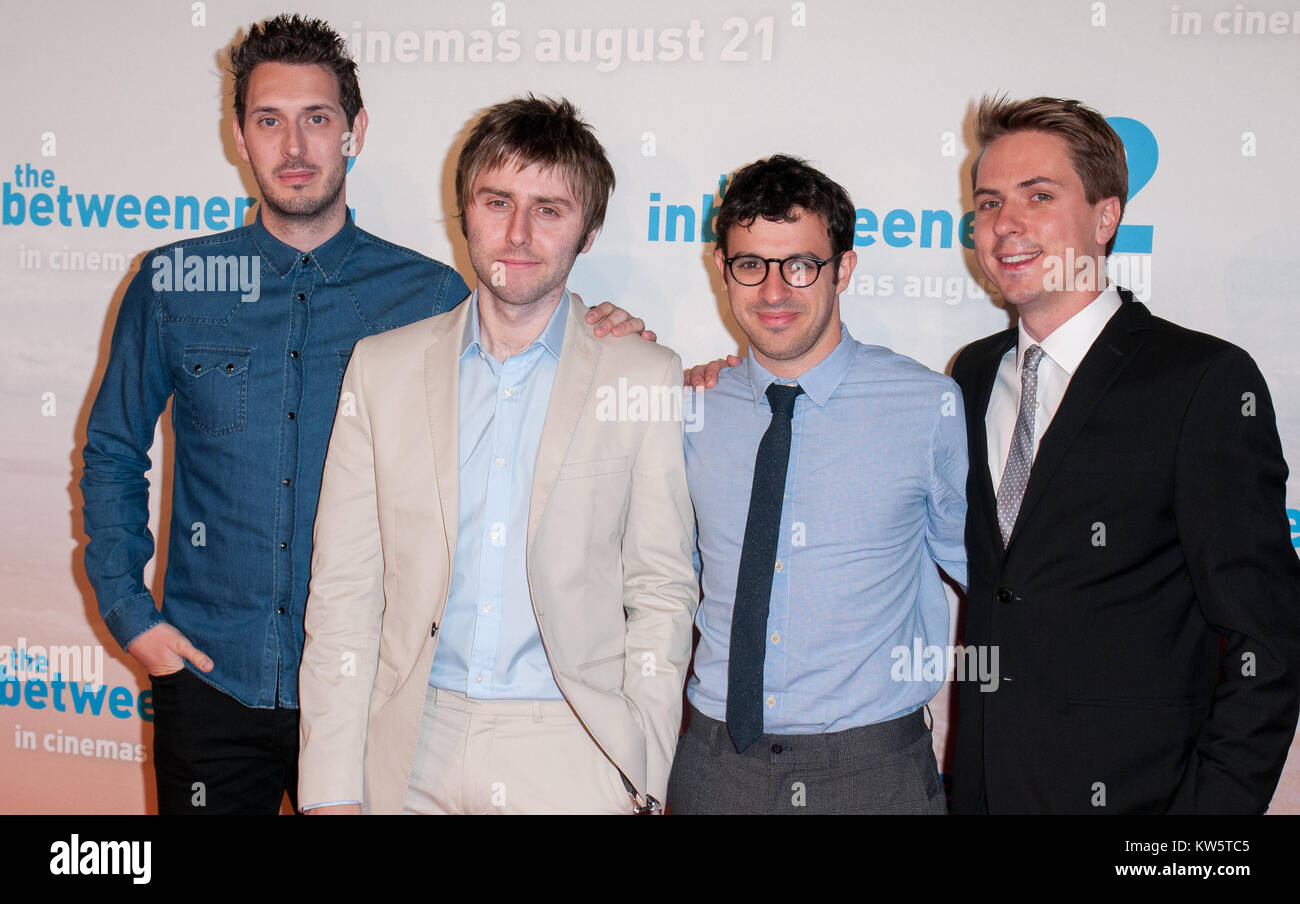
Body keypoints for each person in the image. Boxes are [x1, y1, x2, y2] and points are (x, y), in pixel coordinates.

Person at [79, 14, 646, 815]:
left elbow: (532, 343)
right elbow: (111, 451)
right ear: (239, 134)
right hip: (211, 682)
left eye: (318, 119)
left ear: (356, 132)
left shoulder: (431, 296)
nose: (295, 146)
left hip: (380, 695)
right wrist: (129, 613)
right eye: (269, 120)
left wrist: (606, 331)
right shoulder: (175, 283)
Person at [297, 96, 697, 815]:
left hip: (573, 749)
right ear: (464, 212)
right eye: (498, 201)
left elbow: (662, 590)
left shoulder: (643, 375)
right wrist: (329, 787)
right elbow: (343, 596)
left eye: (550, 209)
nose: (518, 233)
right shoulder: (380, 370)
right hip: (408, 745)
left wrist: (643, 765)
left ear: (589, 231)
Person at [951, 95, 1300, 814]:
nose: (1004, 225)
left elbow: (1267, 637)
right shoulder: (972, 373)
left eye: (1038, 196)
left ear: (1105, 218)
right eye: (988, 203)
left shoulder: (1201, 380)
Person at [667, 155, 968, 815]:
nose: (774, 291)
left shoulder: (927, 407)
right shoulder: (688, 408)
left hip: (871, 773)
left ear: (845, 269)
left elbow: (1000, 578)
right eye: (752, 265)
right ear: (723, 270)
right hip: (715, 765)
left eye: (801, 265)